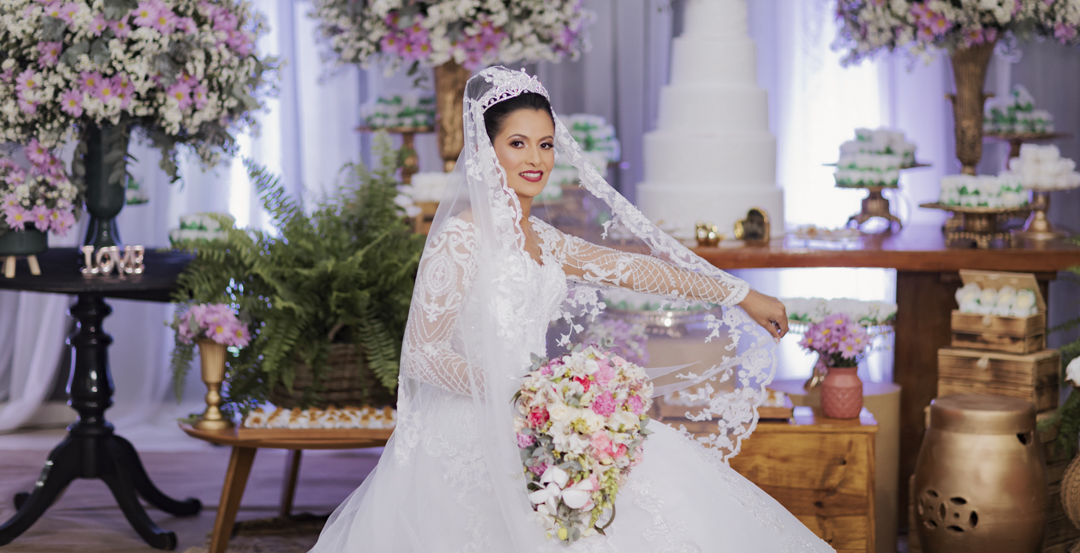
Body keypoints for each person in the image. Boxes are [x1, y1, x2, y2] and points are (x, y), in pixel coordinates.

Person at [311, 67, 832, 552]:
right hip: (472, 430)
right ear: (486, 151)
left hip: (547, 415)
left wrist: (739, 294)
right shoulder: (461, 238)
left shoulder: (544, 239)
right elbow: (422, 353)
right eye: (517, 143)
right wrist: (519, 392)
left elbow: (634, 269)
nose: (535, 159)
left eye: (545, 144)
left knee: (662, 489)